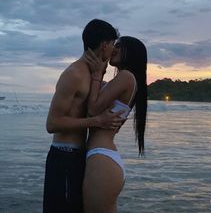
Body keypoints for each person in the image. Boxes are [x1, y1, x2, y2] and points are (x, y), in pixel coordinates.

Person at [43, 19, 124, 213]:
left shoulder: (93, 74)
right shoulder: (75, 74)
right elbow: (52, 123)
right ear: (104, 45)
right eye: (113, 44)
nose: (114, 49)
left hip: (80, 156)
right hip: (63, 156)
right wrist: (97, 121)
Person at [83, 36, 148, 213]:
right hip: (103, 157)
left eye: (120, 46)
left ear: (130, 53)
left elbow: (93, 108)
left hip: (101, 158)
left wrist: (97, 75)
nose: (114, 49)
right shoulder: (125, 80)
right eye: (115, 45)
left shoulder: (126, 77)